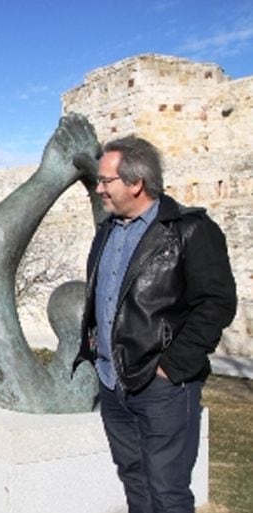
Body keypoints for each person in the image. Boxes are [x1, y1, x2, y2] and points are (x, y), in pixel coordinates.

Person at [74, 136, 237, 513]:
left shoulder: (190, 230)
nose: (98, 189)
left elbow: (216, 303)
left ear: (135, 183)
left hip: (162, 386)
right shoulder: (107, 231)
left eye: (105, 181)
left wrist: (172, 366)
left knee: (167, 491)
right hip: (113, 382)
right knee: (133, 477)